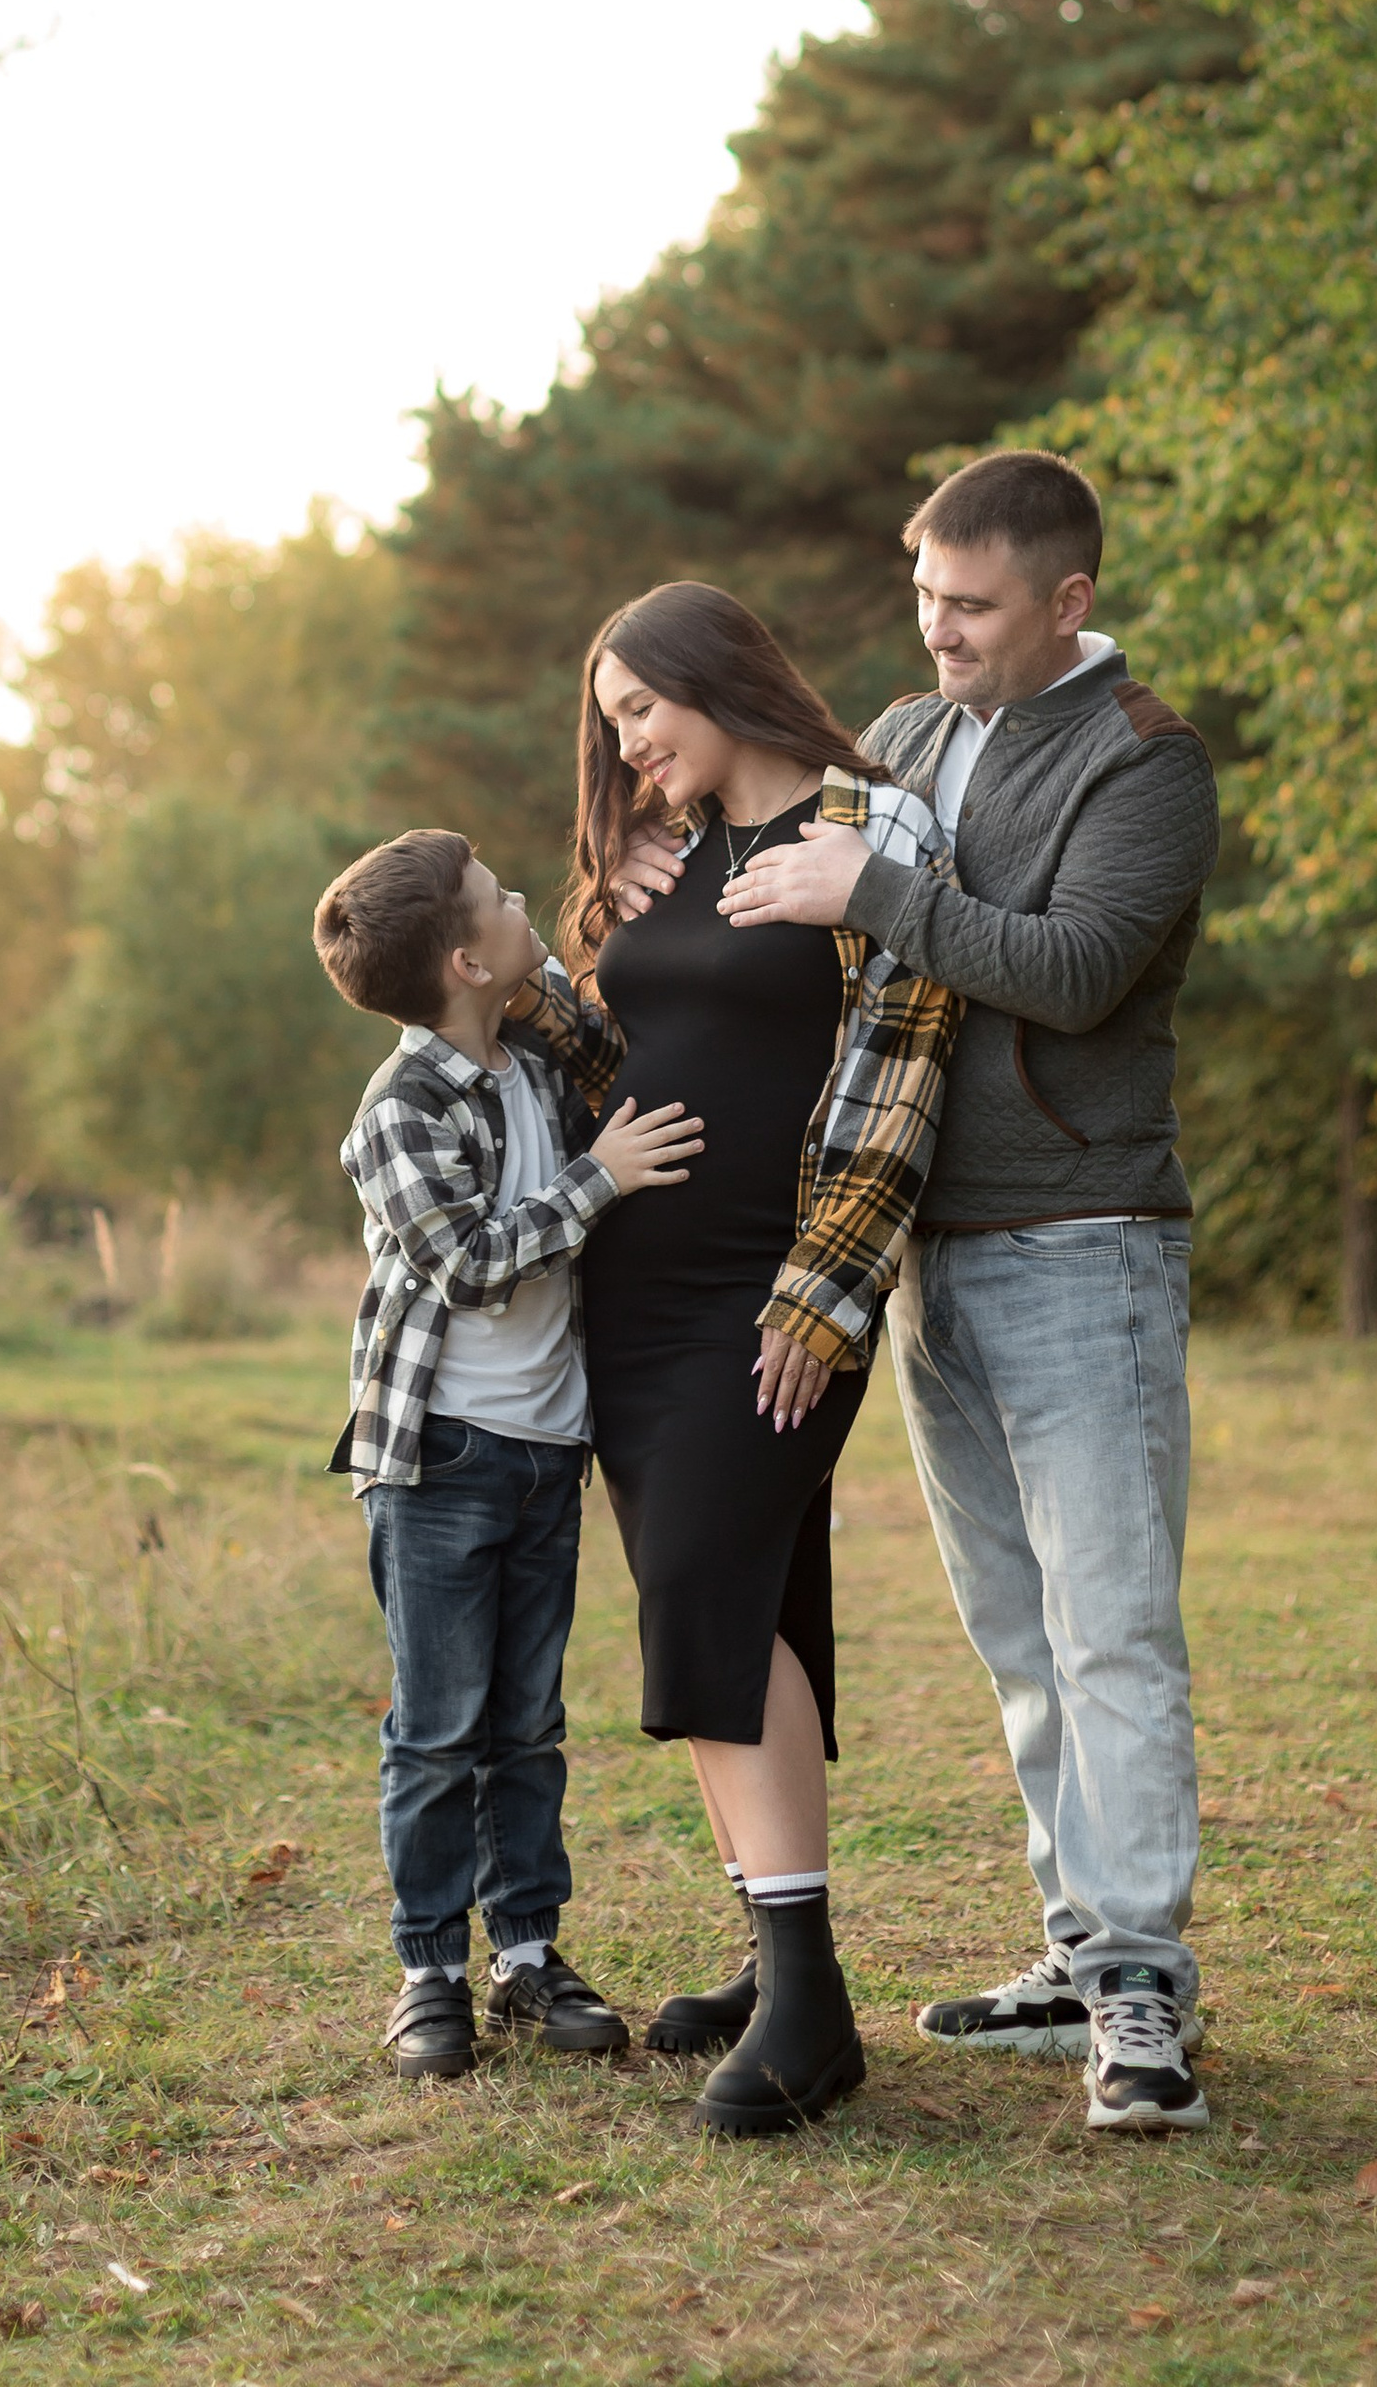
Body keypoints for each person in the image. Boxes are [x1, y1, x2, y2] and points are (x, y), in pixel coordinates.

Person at [708, 448, 1223, 2134]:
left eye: (971, 606)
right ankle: (1077, 1953)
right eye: (924, 596)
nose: (933, 634)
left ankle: (1144, 1989)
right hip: (926, 1251)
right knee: (1017, 1635)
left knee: (1112, 1630)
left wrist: (882, 895)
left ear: (1067, 602)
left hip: (1087, 1242)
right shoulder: (912, 735)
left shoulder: (1147, 764)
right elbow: (835, 929)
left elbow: (1075, 975)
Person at [511, 583, 958, 2136]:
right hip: (629, 1298)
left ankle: (812, 2005)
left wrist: (822, 1294)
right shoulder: (667, 858)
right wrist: (584, 934)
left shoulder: (871, 829)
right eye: (612, 720)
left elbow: (902, 1073)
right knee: (738, 1599)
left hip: (770, 1291)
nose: (627, 745)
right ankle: (778, 1964)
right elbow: (596, 1057)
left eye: (644, 708)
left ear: (719, 679)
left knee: (705, 1587)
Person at [316, 824, 703, 2081]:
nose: (518, 897)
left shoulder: (536, 1057)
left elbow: (619, 1025)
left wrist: (640, 882)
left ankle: (527, 1954)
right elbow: (475, 1265)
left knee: (528, 1723)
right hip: (438, 1460)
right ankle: (429, 1971)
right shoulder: (398, 1110)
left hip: (547, 1448)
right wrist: (601, 1181)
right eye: (495, 899)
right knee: (440, 1728)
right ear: (462, 962)